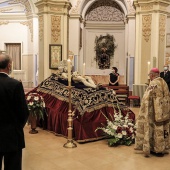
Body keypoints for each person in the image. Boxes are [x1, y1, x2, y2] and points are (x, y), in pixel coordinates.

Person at [0, 53, 29, 170]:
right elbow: (23, 112)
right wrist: (17, 126)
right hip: (12, 135)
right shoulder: (15, 84)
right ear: (9, 65)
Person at [135, 68, 170, 157]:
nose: (149, 77)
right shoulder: (164, 82)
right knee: (162, 129)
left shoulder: (153, 83)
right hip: (164, 112)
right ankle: (162, 148)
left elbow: (146, 97)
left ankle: (154, 148)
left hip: (154, 111)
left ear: (152, 75)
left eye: (149, 75)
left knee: (154, 129)